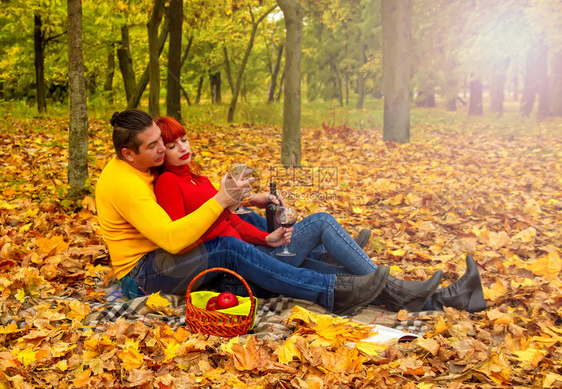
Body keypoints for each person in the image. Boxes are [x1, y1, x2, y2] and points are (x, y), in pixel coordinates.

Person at [153, 116, 486, 313]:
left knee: (352, 278)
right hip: (238, 269)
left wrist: (265, 236)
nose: (182, 147)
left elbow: (230, 220)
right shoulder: (168, 183)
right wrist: (234, 216)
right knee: (322, 221)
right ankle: (433, 295)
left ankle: (448, 299)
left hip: (252, 252)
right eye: (172, 145)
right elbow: (188, 234)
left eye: (184, 139)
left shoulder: (196, 177)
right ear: (159, 152)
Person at [95, 109, 392, 316]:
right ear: (128, 153)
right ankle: (329, 286)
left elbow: (196, 203)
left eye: (164, 141)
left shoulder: (145, 164)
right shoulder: (125, 184)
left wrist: (241, 202)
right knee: (228, 245)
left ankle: (329, 262)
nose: (163, 150)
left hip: (163, 256)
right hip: (143, 275)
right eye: (155, 146)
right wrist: (223, 200)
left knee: (247, 220)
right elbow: (173, 239)